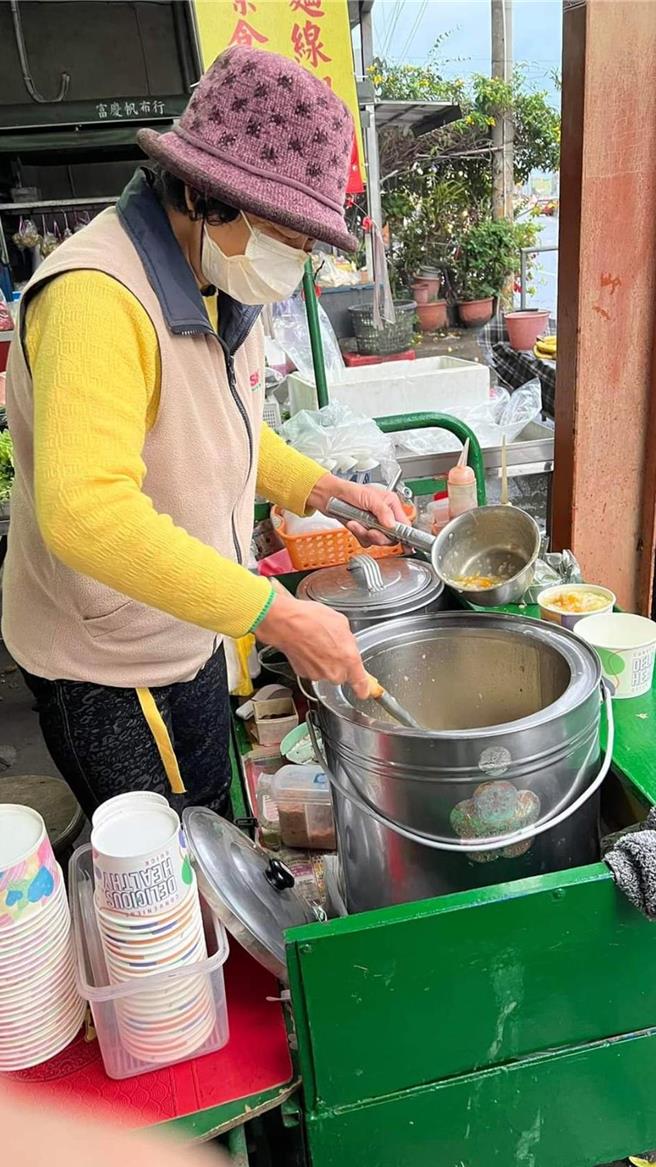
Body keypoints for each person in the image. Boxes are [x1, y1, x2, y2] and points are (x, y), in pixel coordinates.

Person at [2, 46, 404, 820]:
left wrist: (328, 488)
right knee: (165, 859)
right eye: (289, 232)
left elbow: (231, 426)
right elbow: (86, 511)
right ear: (205, 196)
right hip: (109, 663)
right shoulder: (96, 296)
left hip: (186, 619)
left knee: (208, 810)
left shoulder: (220, 283)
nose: (300, 256)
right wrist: (277, 613)